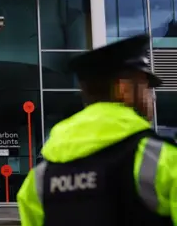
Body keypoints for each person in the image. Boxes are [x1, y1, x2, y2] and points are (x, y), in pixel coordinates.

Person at [17, 34, 177, 226]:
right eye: (147, 87)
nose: (152, 98)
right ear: (123, 89)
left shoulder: (39, 180)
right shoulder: (162, 160)